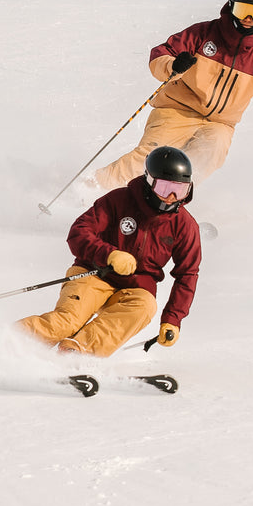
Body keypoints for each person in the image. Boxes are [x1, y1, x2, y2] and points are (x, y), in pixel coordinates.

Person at [94, 0, 253, 190]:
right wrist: (173, 66)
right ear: (231, 5)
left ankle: (169, 201)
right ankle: (93, 189)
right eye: (243, 9)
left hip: (220, 124)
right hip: (177, 110)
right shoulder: (204, 33)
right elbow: (161, 54)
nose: (248, 18)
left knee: (207, 156)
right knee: (154, 155)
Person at [20, 147, 201, 356]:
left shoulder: (185, 225)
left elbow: (187, 274)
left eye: (179, 190)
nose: (171, 197)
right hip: (95, 274)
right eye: (164, 188)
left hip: (136, 288)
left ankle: (77, 352)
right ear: (149, 180)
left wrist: (172, 319)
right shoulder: (119, 200)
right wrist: (109, 254)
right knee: (67, 322)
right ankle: (5, 342)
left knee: (145, 306)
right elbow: (78, 233)